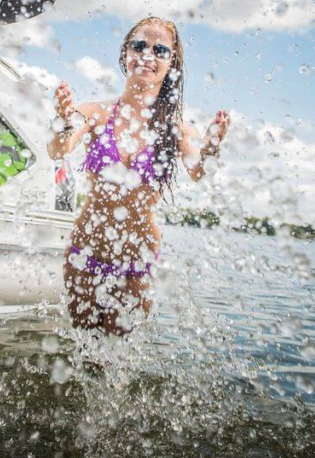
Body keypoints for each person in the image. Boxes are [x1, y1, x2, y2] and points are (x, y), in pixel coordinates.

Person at [48, 17, 230, 336]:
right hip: (86, 251)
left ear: (171, 63)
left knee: (116, 361)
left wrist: (212, 146)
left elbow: (198, 171)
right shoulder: (96, 113)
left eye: (160, 49)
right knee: (83, 353)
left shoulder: (175, 129)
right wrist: (63, 121)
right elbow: (57, 149)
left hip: (138, 260)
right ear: (125, 54)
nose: (148, 54)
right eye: (140, 45)